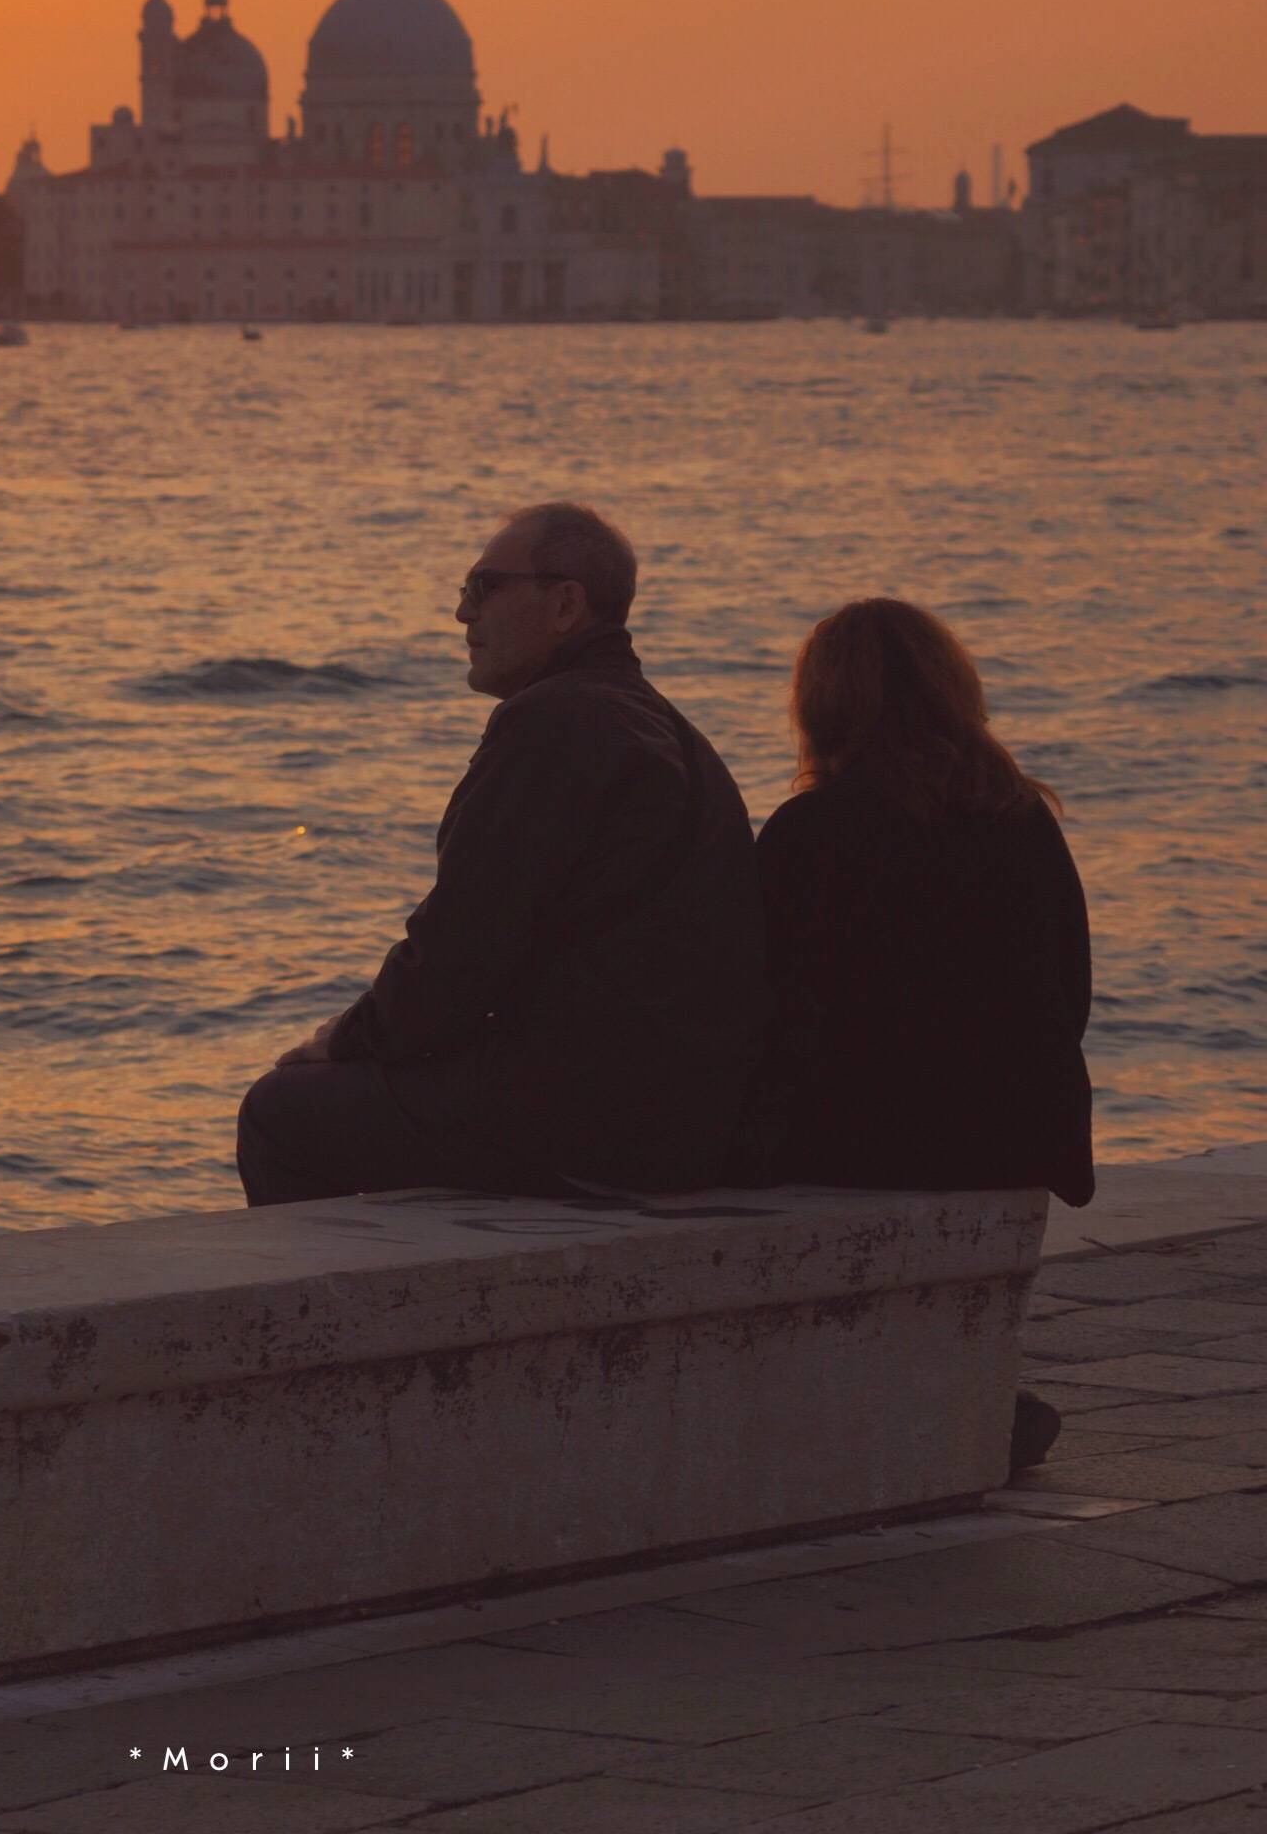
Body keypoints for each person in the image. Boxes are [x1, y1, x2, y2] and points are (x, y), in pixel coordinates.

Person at [235, 504, 770, 1207]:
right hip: (684, 1121)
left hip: (590, 1125)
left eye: (484, 586)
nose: (462, 613)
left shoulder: (552, 723)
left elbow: (461, 953)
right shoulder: (668, 729)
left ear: (565, 603)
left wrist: (344, 1042)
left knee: (280, 1113)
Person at [745, 596, 1094, 1472]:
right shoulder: (1023, 821)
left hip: (866, 1138)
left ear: (821, 707)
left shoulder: (810, 833)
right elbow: (1069, 991)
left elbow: (766, 1011)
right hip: (1017, 1133)